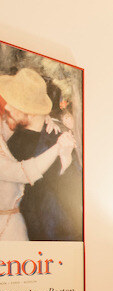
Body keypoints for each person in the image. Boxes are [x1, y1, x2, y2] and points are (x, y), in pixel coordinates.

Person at [0, 68, 76, 241]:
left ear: (31, 112)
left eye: (15, 104)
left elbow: (70, 198)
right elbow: (22, 172)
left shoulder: (56, 139)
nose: (8, 108)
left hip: (50, 239)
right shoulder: (12, 136)